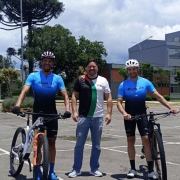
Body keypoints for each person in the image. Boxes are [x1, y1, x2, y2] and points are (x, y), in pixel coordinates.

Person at [12, 51, 71, 180]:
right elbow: (24, 91)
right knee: (37, 145)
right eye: (45, 60)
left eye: (50, 60)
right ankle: (38, 171)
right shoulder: (33, 76)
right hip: (37, 114)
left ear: (53, 63)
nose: (47, 62)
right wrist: (17, 105)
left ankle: (52, 172)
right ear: (42, 62)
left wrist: (67, 110)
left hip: (51, 114)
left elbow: (65, 95)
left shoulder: (57, 78)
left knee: (52, 143)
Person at [117, 59, 179, 179]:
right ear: (127, 71)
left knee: (146, 139)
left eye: (134, 68)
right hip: (129, 115)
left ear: (137, 69)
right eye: (129, 69)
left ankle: (151, 170)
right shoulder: (123, 85)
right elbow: (119, 102)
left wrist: (171, 107)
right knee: (130, 140)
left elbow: (159, 96)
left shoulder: (145, 82)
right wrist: (124, 113)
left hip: (142, 114)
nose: (132, 71)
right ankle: (133, 169)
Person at [68, 59, 113, 178]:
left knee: (96, 145)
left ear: (97, 68)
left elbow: (108, 98)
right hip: (83, 118)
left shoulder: (103, 80)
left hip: (98, 118)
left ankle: (94, 168)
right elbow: (74, 96)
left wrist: (109, 113)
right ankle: (76, 169)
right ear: (86, 68)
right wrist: (74, 112)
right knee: (79, 145)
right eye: (89, 66)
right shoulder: (80, 80)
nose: (92, 68)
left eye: (94, 66)